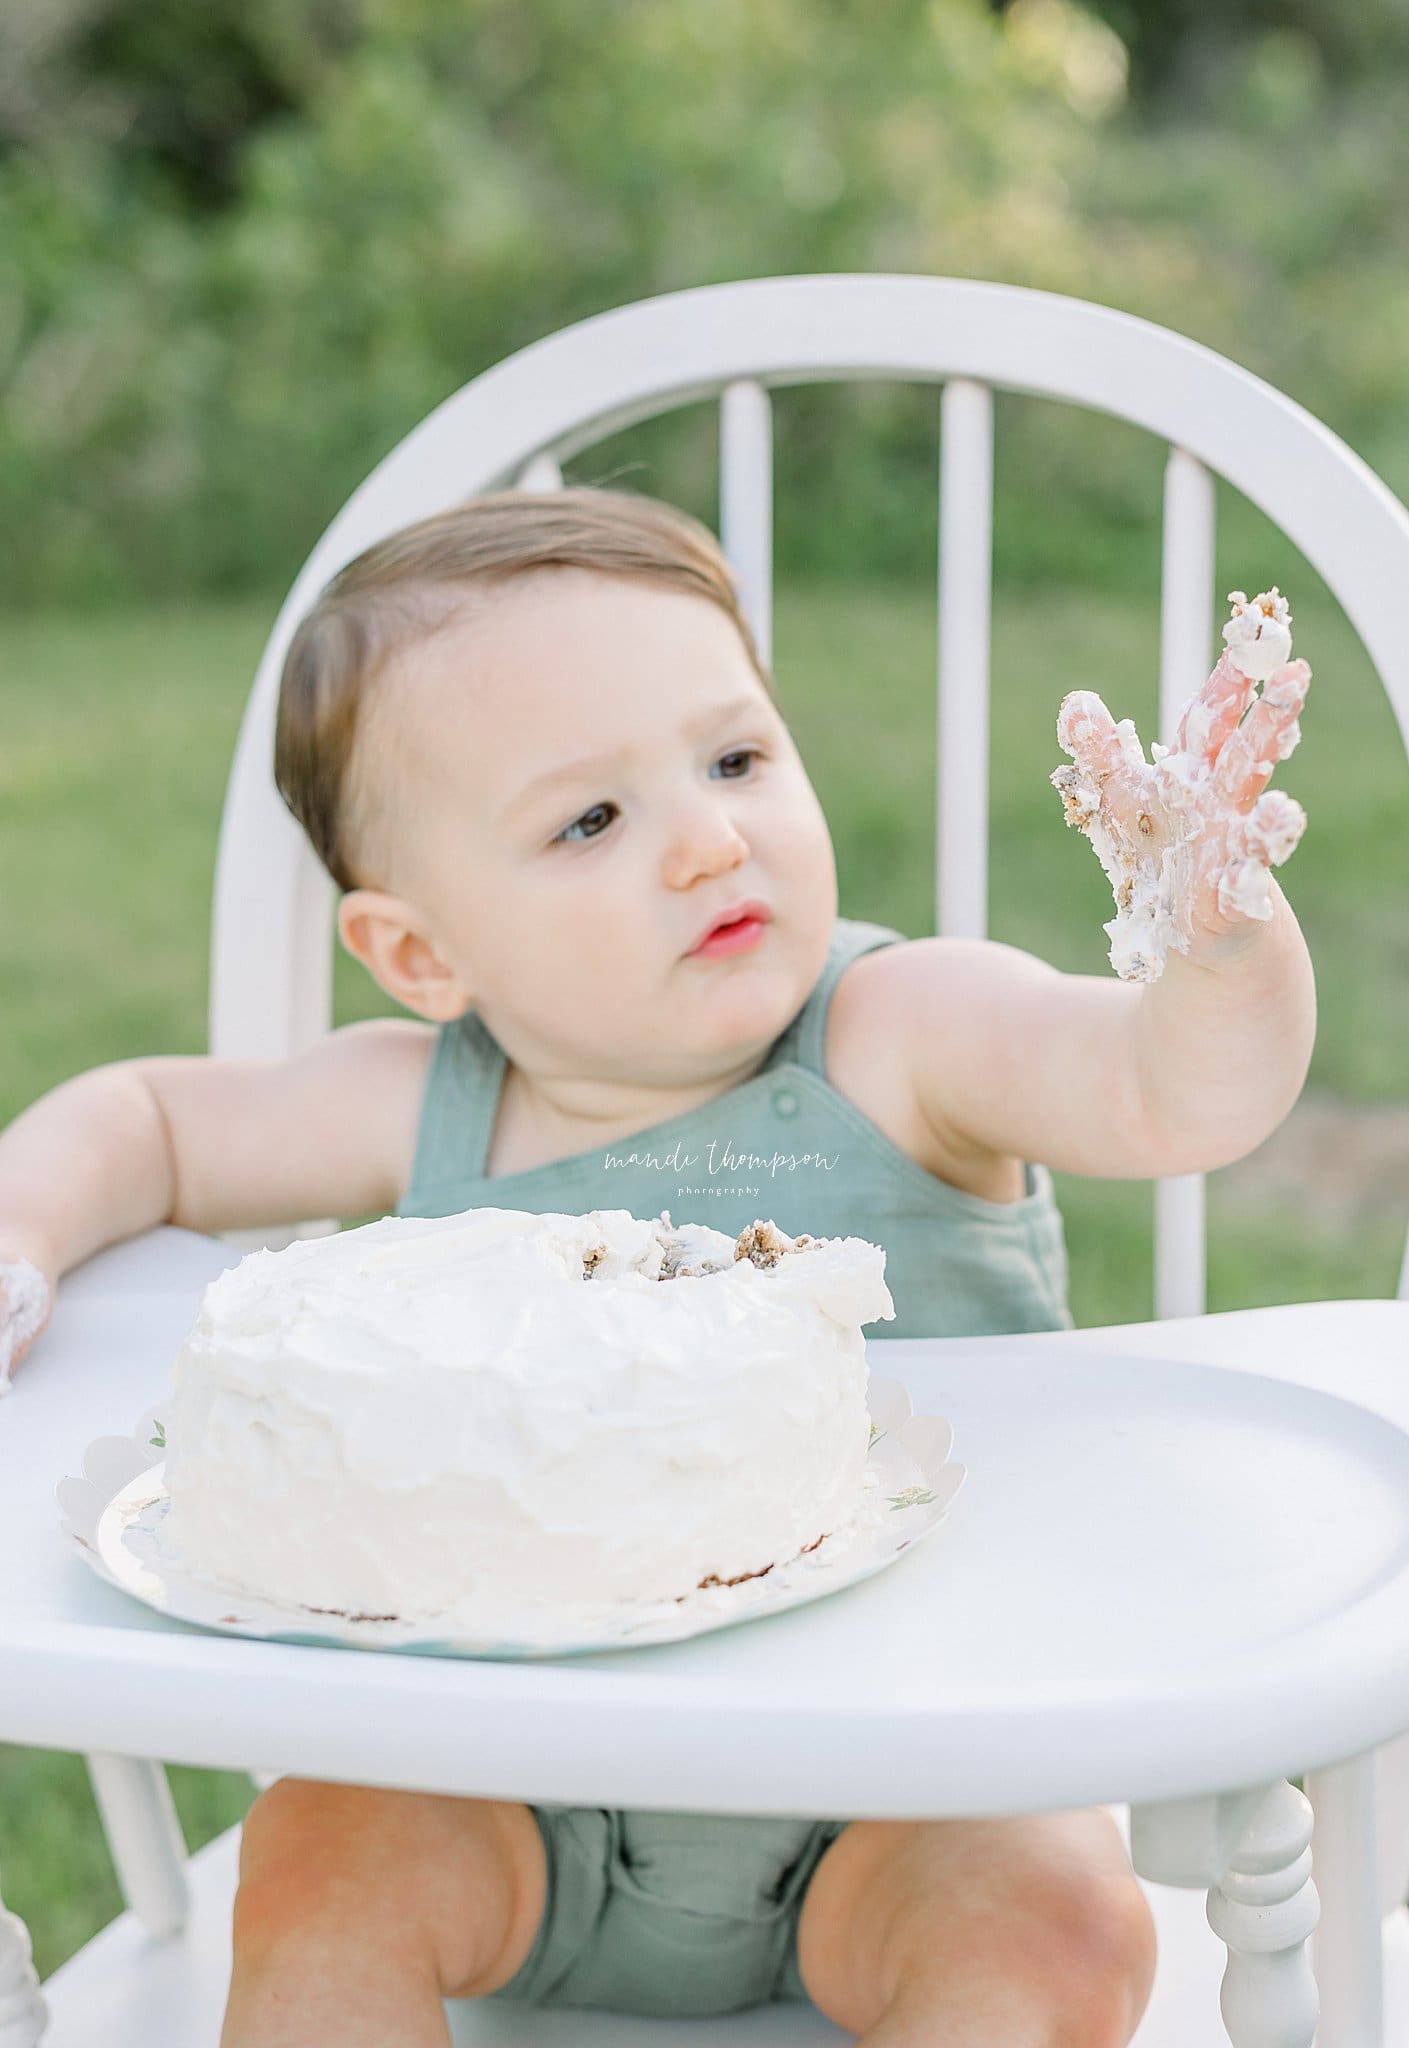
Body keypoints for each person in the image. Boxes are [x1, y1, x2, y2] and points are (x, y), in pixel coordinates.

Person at [0, 487, 1317, 2046]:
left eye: (736, 758)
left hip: (897, 1793)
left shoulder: (904, 1040)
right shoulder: (420, 1105)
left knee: (1048, 1920)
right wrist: (21, 1223)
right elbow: (150, 1119)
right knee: (316, 1863)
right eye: (589, 821)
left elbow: (1174, 1092)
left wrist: (1216, 945)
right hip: (503, 1795)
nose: (707, 840)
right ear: (424, 956)